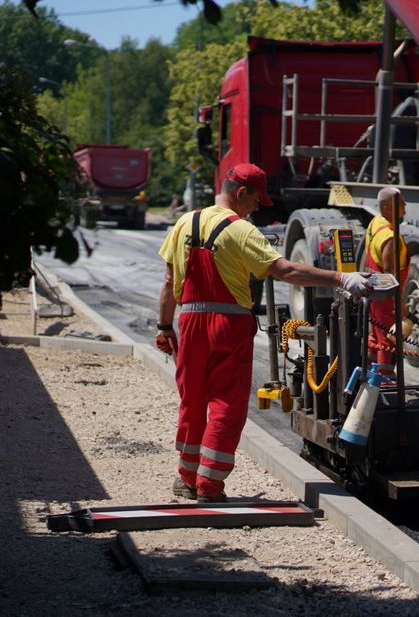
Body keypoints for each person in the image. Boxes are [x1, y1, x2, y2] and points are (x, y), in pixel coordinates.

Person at [155, 163, 372, 502]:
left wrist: (165, 326)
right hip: (228, 326)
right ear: (241, 194)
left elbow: (169, 282)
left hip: (190, 322)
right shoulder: (241, 230)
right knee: (226, 404)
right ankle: (209, 487)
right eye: (256, 201)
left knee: (192, 402)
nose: (257, 208)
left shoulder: (185, 222)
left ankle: (186, 480)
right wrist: (340, 278)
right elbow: (285, 270)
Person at [365, 186, 410, 379]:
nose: (405, 206)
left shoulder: (376, 223)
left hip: (375, 292)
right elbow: (390, 273)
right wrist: (399, 302)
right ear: (386, 207)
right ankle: (384, 383)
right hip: (386, 297)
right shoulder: (389, 237)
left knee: (375, 337)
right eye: (400, 203)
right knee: (388, 341)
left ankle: (369, 376)